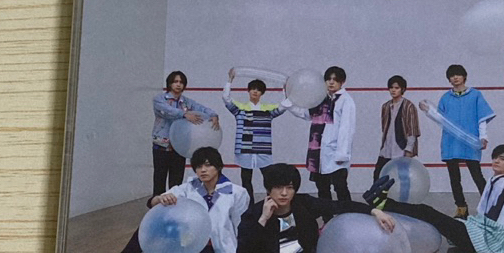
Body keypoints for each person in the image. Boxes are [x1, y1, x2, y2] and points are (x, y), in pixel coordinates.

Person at [230, 163, 395, 253]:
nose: (284, 193)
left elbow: (339, 205)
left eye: (289, 187)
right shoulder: (255, 213)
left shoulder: (303, 204)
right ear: (268, 189)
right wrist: (263, 219)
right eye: (278, 187)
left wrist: (374, 211)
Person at [95, 147, 249, 253]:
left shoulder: (237, 192)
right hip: (186, 241)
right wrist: (160, 199)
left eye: (208, 165)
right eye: (198, 166)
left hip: (213, 247)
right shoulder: (188, 187)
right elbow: (153, 203)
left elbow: (241, 225)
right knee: (148, 225)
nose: (203, 170)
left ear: (219, 166)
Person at [367, 145, 504, 253]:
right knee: (428, 213)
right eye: (495, 157)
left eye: (501, 160)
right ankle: (385, 203)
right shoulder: (494, 180)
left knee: (427, 212)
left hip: (485, 240)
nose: (496, 161)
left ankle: (385, 204)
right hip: (477, 230)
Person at [422, 64, 494, 219]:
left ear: (464, 76)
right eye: (452, 75)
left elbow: (482, 118)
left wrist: (483, 137)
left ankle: (489, 207)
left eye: (458, 74)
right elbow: (440, 118)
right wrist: (428, 110)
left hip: (470, 142)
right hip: (451, 142)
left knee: (477, 176)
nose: (455, 78)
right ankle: (461, 207)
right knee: (454, 178)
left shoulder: (475, 95)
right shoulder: (445, 98)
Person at [286, 66, 356, 201]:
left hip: (335, 152)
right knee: (322, 187)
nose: (331, 82)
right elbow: (306, 114)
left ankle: (347, 212)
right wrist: (289, 104)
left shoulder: (346, 100)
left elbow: (347, 129)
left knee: (340, 186)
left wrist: (342, 153)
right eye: (328, 79)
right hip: (318, 152)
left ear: (342, 82)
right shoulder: (321, 97)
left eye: (335, 80)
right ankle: (326, 213)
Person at [222, 68, 287, 203]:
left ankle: (271, 204)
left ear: (262, 93)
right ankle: (249, 206)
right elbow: (226, 98)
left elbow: (284, 106)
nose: (255, 91)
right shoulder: (240, 109)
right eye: (252, 89)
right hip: (244, 149)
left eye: (258, 89)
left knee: (269, 178)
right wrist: (230, 80)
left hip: (263, 148)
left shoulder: (268, 110)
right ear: (248, 91)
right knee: (246, 179)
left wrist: (285, 88)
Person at [152, 70, 220, 197]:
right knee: (159, 179)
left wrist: (213, 115)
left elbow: (202, 108)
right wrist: (184, 114)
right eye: (175, 82)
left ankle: (174, 206)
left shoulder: (186, 102)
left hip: (180, 147)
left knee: (176, 182)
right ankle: (157, 206)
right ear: (170, 83)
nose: (178, 84)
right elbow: (167, 110)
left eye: (181, 82)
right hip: (162, 145)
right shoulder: (159, 99)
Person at [372, 75, 421, 182]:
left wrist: (409, 150)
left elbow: (412, 129)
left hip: (401, 149)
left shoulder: (408, 106)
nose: (393, 90)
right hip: (386, 148)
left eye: (397, 88)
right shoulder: (385, 106)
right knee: (378, 175)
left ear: (402, 89)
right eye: (391, 87)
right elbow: (384, 128)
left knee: (401, 178)